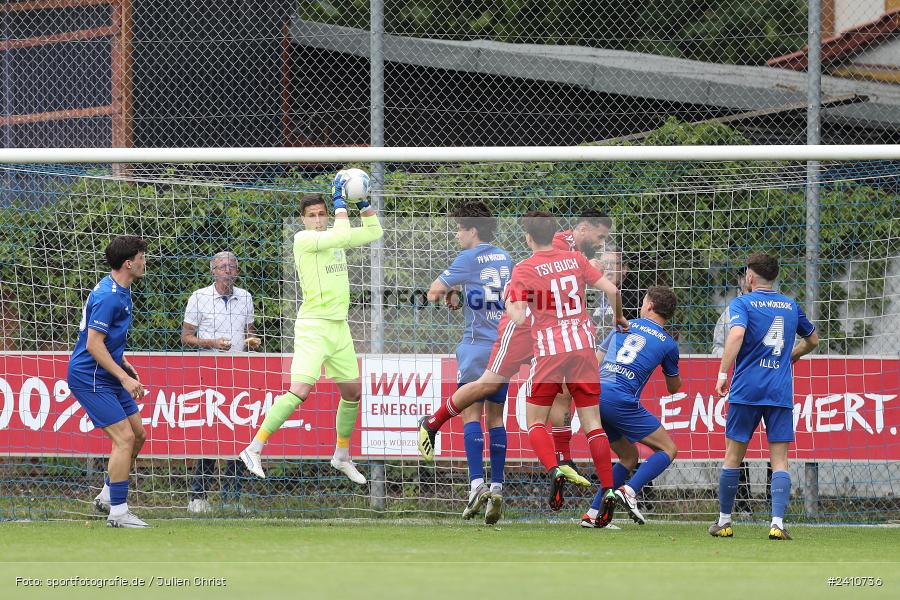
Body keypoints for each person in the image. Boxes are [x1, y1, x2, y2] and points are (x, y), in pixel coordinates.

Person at [238, 171, 383, 484]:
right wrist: (339, 200)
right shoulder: (303, 240)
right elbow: (341, 235)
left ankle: (342, 454)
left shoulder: (334, 239)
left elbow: (374, 231)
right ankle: (254, 447)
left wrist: (363, 203)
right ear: (303, 220)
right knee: (300, 390)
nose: (318, 220)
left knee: (352, 392)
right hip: (313, 327)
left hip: (339, 328)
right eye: (312, 216)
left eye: (322, 215)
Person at [506, 211, 627, 523]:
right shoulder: (574, 259)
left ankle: (555, 468)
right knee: (593, 425)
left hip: (550, 351)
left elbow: (517, 313)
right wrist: (618, 318)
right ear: (555, 233)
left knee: (535, 422)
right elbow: (613, 291)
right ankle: (610, 490)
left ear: (528, 237)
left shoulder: (524, 268)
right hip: (584, 348)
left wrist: (522, 314)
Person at [710, 252, 819, 540]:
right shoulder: (790, 306)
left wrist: (723, 374)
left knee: (733, 456)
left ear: (750, 276)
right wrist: (791, 356)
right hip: (779, 390)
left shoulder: (742, 303)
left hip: (747, 390)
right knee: (780, 459)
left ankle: (724, 522)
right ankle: (777, 524)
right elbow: (813, 340)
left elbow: (735, 336)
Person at [425, 201, 512, 524]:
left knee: (470, 413)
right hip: (503, 347)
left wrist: (448, 288)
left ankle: (476, 485)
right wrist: (461, 289)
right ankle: (498, 487)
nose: (457, 234)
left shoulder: (468, 257)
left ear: (472, 231)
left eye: (460, 229)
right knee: (497, 418)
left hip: (476, 346)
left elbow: (434, 292)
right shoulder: (505, 257)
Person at [581, 286, 681, 528]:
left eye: (643, 301)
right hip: (620, 399)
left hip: (595, 396)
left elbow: (595, 361)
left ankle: (594, 513)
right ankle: (630, 490)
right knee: (668, 449)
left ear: (648, 306)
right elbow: (673, 388)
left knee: (628, 455)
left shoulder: (625, 325)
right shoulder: (668, 344)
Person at [67, 236, 150, 528]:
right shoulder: (110, 296)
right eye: (142, 256)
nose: (144, 261)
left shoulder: (120, 289)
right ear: (129, 263)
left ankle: (106, 496)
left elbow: (106, 341)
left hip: (106, 371)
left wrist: (123, 362)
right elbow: (92, 344)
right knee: (124, 438)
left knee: (137, 434)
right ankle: (118, 513)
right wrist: (124, 377)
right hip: (89, 376)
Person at [181, 251, 259, 514]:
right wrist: (212, 343)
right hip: (209, 374)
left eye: (232, 266)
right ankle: (198, 498)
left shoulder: (246, 297)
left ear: (237, 271)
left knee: (238, 434)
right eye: (222, 266)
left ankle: (232, 498)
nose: (227, 270)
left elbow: (250, 334)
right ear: (213, 270)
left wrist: (252, 341)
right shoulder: (199, 297)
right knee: (209, 434)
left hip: (239, 375)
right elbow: (186, 337)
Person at [547, 210, 613, 475]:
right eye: (600, 237)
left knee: (575, 400)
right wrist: (588, 270)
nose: (601, 243)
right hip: (557, 332)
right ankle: (563, 459)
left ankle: (569, 462)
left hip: (577, 333)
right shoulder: (556, 245)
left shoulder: (575, 250)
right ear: (584, 228)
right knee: (561, 397)